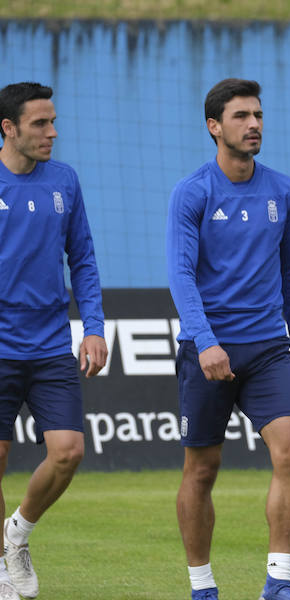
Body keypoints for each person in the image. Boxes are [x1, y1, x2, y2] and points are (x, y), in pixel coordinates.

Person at [167, 78, 290, 600]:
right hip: (208, 350)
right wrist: (204, 341)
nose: (254, 124)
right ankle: (202, 585)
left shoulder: (284, 190)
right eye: (241, 116)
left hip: (270, 347)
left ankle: (278, 580)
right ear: (214, 127)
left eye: (258, 115)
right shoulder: (193, 192)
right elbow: (181, 275)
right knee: (202, 468)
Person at [0, 82, 107, 600]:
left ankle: (16, 533)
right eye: (40, 123)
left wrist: (93, 327)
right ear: (9, 129)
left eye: (53, 121)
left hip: (48, 345)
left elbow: (82, 258)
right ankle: (0, 572)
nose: (52, 132)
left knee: (68, 452)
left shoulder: (64, 180)